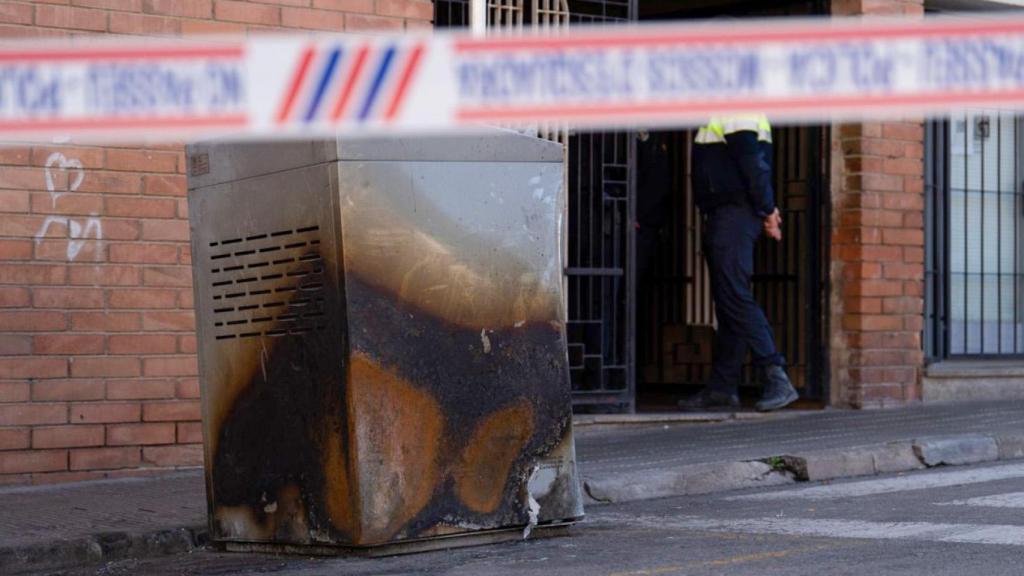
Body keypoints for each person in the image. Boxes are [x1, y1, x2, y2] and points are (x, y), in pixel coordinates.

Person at [678, 114, 799, 412]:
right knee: (727, 300)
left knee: (734, 295)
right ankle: (723, 386)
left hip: (734, 213)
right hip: (729, 212)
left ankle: (776, 374)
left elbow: (751, 162)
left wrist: (768, 208)